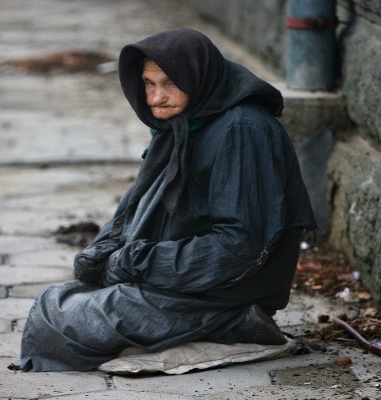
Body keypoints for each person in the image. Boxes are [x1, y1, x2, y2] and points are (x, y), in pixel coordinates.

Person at [16, 28, 317, 372]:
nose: (157, 98)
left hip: (222, 290)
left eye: (171, 83)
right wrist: (103, 252)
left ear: (199, 77)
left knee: (62, 318)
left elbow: (238, 248)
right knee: (65, 298)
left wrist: (136, 262)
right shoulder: (186, 123)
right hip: (177, 278)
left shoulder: (242, 130)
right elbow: (136, 207)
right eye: (149, 84)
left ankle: (238, 323)